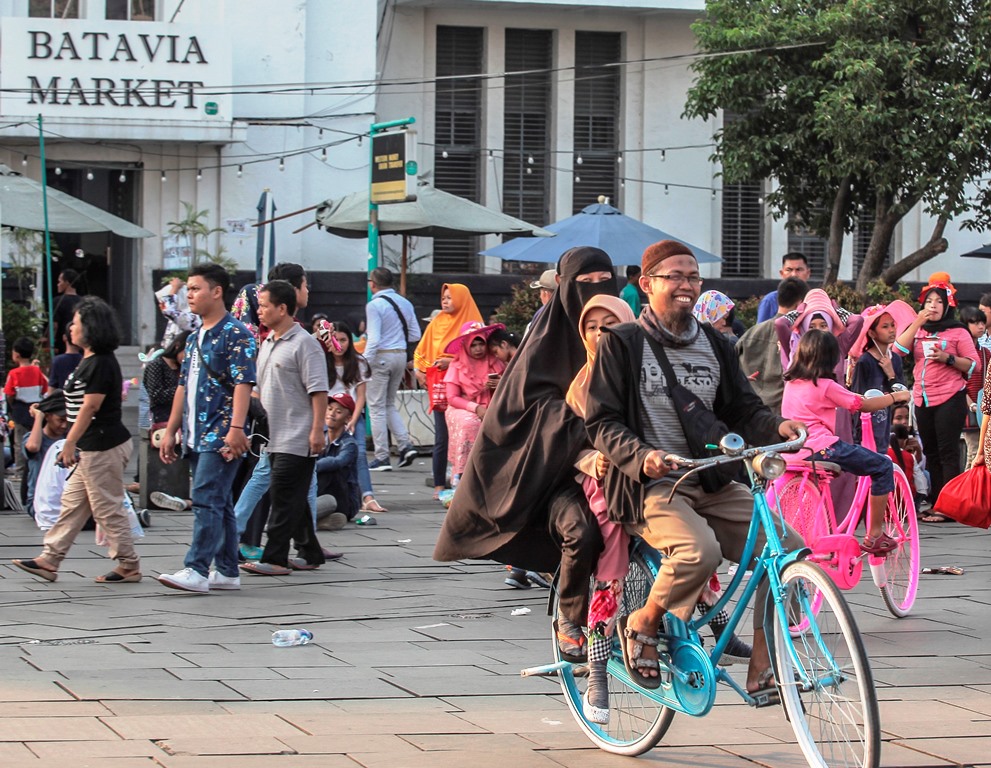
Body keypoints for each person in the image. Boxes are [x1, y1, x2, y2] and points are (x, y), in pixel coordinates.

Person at [584, 239, 804, 699]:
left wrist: (777, 424)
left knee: (787, 550)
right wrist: (642, 455)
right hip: (653, 485)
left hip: (711, 477)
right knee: (698, 551)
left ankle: (763, 666)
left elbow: (743, 409)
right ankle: (643, 623)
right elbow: (601, 421)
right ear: (646, 285)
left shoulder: (717, 344)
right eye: (675, 277)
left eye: (693, 277)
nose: (686, 285)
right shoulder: (622, 344)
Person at [434, 247, 616, 664]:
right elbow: (529, 412)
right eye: (584, 284)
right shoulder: (543, 346)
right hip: (554, 474)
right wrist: (584, 444)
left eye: (604, 282)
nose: (595, 296)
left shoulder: (628, 337)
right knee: (582, 533)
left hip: (625, 465)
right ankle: (570, 621)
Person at [13, 297, 141, 584]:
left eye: (77, 323)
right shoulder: (89, 360)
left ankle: (129, 564)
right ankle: (50, 559)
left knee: (106, 508)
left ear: (91, 328)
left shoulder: (100, 363)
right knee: (71, 504)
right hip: (91, 446)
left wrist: (69, 441)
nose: (71, 328)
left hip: (103, 445)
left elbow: (90, 407)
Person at [158, 264, 256, 593]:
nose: (189, 294)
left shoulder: (236, 333)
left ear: (217, 291)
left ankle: (197, 568)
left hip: (222, 432)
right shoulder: (197, 334)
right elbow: (183, 386)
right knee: (219, 501)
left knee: (205, 499)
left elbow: (244, 383)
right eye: (187, 289)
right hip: (196, 432)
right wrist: (171, 430)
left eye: (196, 288)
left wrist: (237, 427)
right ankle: (227, 571)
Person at [783, 330, 911, 554]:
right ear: (831, 359)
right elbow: (862, 404)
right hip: (823, 448)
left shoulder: (791, 383)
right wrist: (895, 397)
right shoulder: (825, 385)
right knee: (882, 465)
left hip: (794, 452)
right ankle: (875, 534)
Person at [240, 280, 328, 576]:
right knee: (294, 497)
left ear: (282, 308)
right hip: (272, 435)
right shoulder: (267, 343)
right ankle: (310, 551)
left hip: (298, 435)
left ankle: (275, 557)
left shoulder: (305, 344)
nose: (260, 311)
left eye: (265, 306)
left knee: (281, 496)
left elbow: (318, 391)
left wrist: (317, 430)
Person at [894, 278, 975, 521]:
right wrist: (918, 320)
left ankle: (950, 507)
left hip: (950, 396)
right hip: (922, 398)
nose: (933, 306)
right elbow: (899, 349)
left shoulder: (958, 331)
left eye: (939, 301)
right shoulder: (919, 328)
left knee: (948, 450)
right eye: (929, 301)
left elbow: (973, 364)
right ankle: (937, 502)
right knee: (931, 451)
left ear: (948, 304)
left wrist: (947, 358)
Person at [413, 283, 483, 498]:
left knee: (469, 436)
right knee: (442, 437)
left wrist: (450, 362)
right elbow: (421, 352)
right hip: (441, 389)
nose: (445, 301)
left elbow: (480, 355)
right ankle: (438, 485)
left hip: (471, 390)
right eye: (443, 297)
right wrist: (420, 372)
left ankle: (469, 483)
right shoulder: (436, 323)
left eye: (450, 297)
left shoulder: (473, 324)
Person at [317, 319, 385, 514]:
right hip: (327, 415)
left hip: (352, 414)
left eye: (344, 339)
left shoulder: (359, 362)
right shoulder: (321, 361)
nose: (339, 344)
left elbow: (361, 395)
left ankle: (368, 497)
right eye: (335, 339)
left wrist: (353, 420)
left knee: (360, 452)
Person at [364, 267, 421, 471]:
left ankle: (382, 456)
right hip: (400, 355)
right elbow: (415, 334)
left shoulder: (374, 305)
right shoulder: (405, 302)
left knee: (376, 406)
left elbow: (374, 339)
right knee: (389, 404)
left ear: (373, 284)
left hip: (381, 356)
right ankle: (405, 445)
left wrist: (363, 363)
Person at [443, 322, 506, 488]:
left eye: (481, 344)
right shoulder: (457, 366)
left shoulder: (497, 363)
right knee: (470, 423)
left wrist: (499, 385)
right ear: (466, 346)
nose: (478, 349)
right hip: (463, 408)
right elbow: (452, 397)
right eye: (473, 345)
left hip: (493, 406)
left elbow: (510, 389)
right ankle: (461, 475)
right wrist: (476, 408)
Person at [847, 301, 915, 451]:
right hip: (864, 430)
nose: (891, 330)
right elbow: (857, 401)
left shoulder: (895, 359)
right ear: (872, 333)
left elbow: (903, 398)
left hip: (884, 428)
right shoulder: (865, 362)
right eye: (885, 327)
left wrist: (891, 375)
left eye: (892, 325)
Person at [737, 277, 809, 414]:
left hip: (749, 410)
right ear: (800, 304)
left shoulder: (751, 333)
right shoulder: (799, 338)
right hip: (782, 414)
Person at [4, 336, 48, 504]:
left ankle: (21, 470)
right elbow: (45, 388)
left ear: (16, 354)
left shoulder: (14, 373)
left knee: (18, 441)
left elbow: (9, 393)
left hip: (21, 410)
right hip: (36, 408)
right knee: (36, 438)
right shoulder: (37, 371)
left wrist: (12, 405)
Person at [315, 392, 361, 529]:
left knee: (330, 469)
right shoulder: (319, 437)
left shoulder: (349, 444)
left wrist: (312, 467)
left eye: (338, 411)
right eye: (329, 409)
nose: (332, 414)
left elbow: (338, 462)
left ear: (347, 418)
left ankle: (292, 521)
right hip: (320, 494)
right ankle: (317, 523)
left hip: (342, 499)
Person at [23, 388, 69, 519]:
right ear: (48, 416)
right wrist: (39, 416)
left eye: (67, 420)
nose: (64, 425)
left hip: (66, 497)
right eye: (60, 420)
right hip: (40, 502)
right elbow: (32, 447)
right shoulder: (32, 438)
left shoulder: (68, 439)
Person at [960, 305, 989, 467]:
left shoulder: (985, 353)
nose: (980, 326)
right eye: (975, 322)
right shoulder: (959, 352)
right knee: (973, 453)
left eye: (982, 323)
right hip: (967, 410)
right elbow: (957, 382)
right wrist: (970, 403)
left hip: (982, 408)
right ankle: (968, 491)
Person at [756, 252, 811, 323]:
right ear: (782, 274)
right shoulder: (769, 301)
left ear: (808, 273)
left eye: (799, 270)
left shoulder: (815, 300)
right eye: (789, 270)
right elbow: (763, 330)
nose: (794, 274)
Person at [156, 276, 202, 349]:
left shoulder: (191, 319)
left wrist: (174, 288)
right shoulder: (174, 320)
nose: (161, 305)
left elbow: (168, 310)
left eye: (164, 302)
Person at [51, 269, 82, 355]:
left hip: (62, 346)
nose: (58, 284)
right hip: (80, 346)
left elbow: (54, 326)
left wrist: (50, 345)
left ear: (67, 282)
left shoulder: (58, 301)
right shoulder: (83, 302)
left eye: (59, 281)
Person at [524, 269, 557, 336]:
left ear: (546, 293)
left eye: (540, 292)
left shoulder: (543, 313)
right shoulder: (575, 309)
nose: (540, 296)